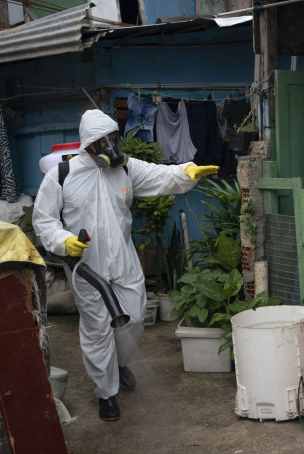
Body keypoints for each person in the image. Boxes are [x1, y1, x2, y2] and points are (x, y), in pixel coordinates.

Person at [32, 109, 218, 421]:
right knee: (97, 330)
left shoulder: (126, 169)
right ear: (89, 144)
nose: (110, 146)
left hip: (124, 258)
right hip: (86, 266)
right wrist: (64, 241)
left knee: (132, 318)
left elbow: (159, 175)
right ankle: (106, 393)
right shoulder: (61, 177)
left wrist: (186, 172)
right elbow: (44, 220)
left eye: (114, 138)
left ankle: (117, 364)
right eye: (103, 141)